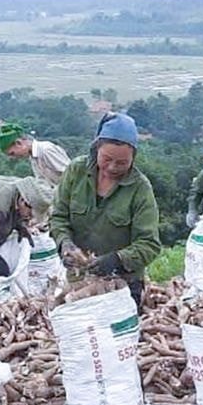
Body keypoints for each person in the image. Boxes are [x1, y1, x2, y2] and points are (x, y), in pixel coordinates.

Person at [49, 113, 162, 312]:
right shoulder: (76, 172)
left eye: (122, 163)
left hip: (122, 284)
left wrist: (117, 259)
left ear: (133, 158)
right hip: (79, 282)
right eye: (107, 159)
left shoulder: (140, 189)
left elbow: (149, 244)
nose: (112, 167)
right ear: (96, 148)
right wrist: (64, 243)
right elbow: (59, 217)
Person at [0, 123, 71, 189]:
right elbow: (42, 182)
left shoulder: (46, 150)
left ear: (19, 143)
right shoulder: (33, 157)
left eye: (12, 153)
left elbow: (73, 175)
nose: (13, 158)